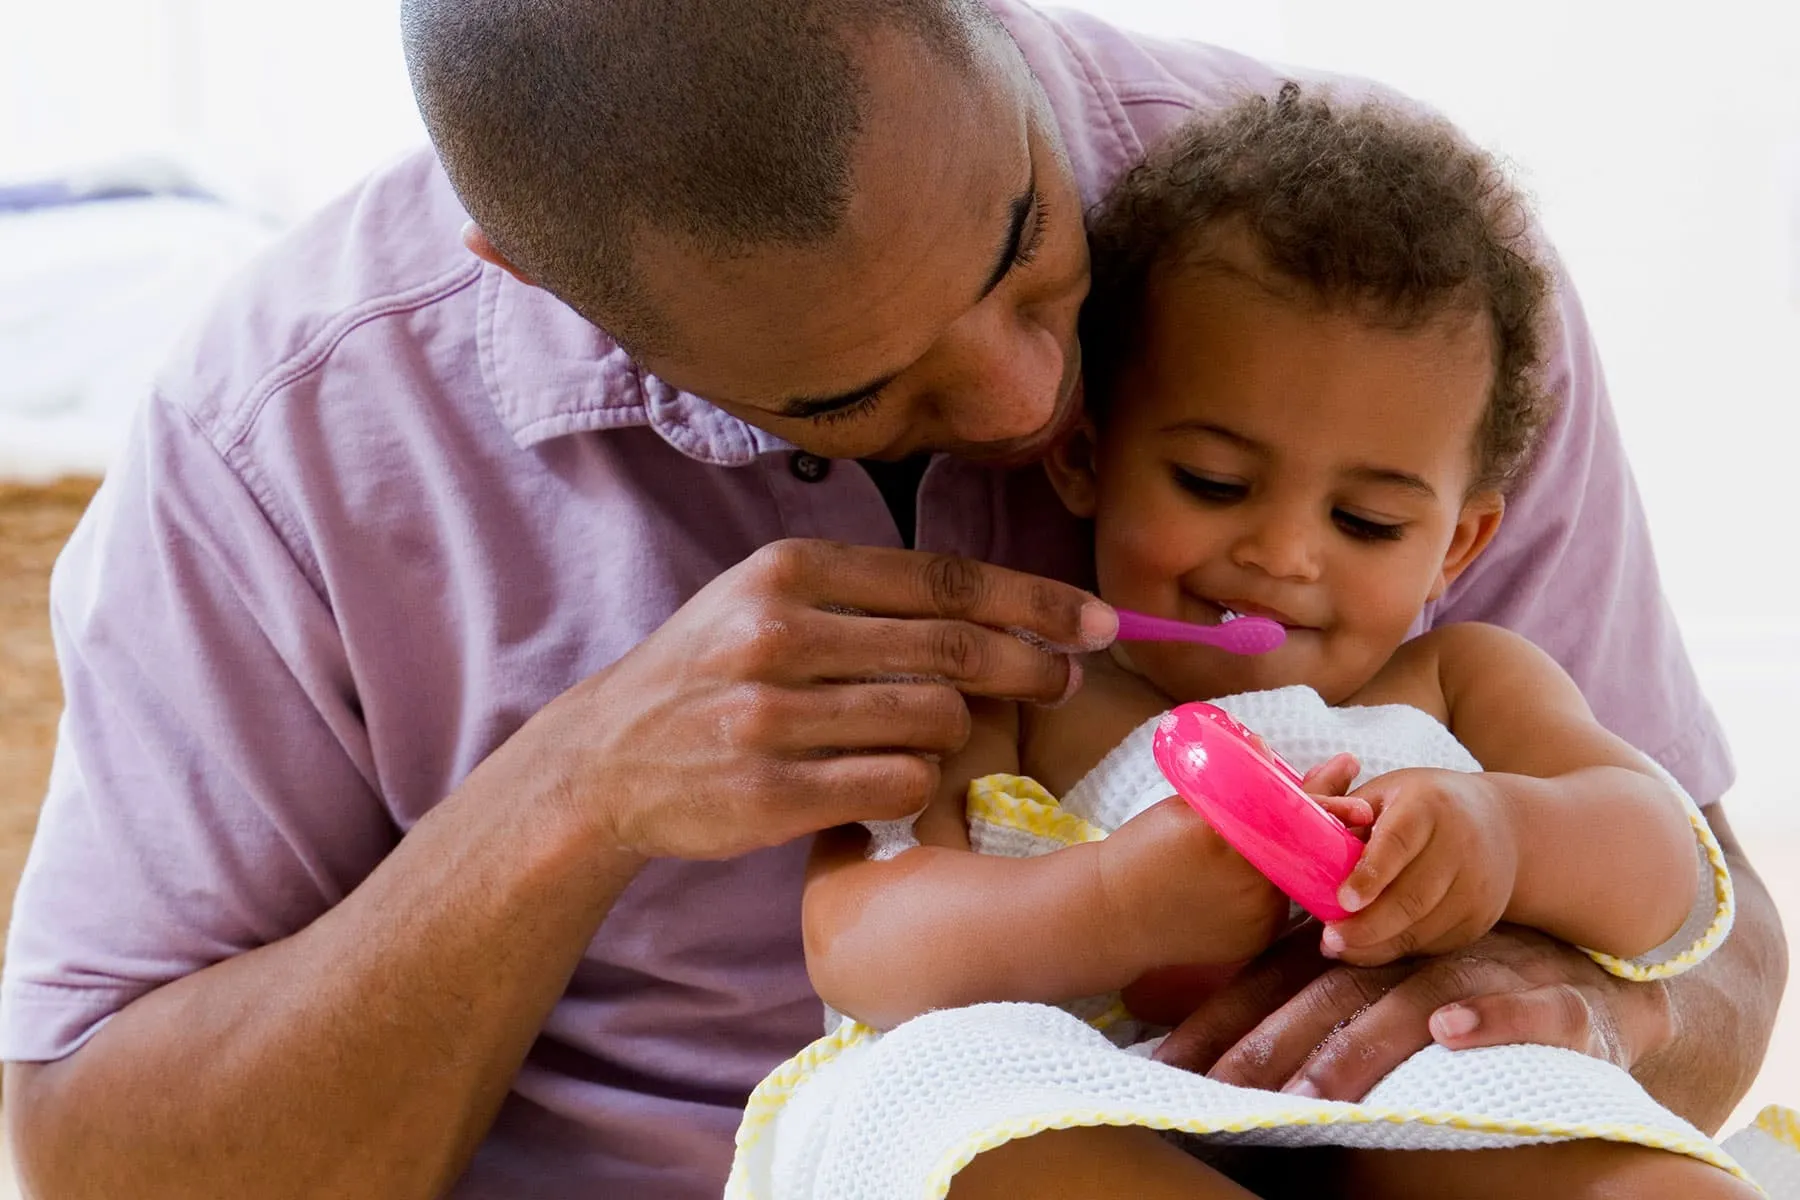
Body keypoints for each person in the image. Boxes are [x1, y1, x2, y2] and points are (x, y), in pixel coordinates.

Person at [0, 2, 1781, 1198]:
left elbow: (1710, 941)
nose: (1033, 409)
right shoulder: (290, 432)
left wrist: (1572, 990)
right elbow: (97, 1158)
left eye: (1026, 249)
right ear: (540, 283)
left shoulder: (1375, 284)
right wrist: (577, 795)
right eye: (848, 394)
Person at [760, 86, 1751, 1199]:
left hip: (1400, 1090)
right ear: (1085, 456)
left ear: (1458, 544)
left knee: (1602, 1141)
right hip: (1081, 1090)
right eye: (1214, 482)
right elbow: (853, 939)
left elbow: (1669, 875)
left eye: (1368, 522)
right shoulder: (1013, 682)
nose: (1284, 556)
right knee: (939, 1104)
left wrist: (1509, 835)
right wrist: (1107, 907)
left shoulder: (1463, 682)